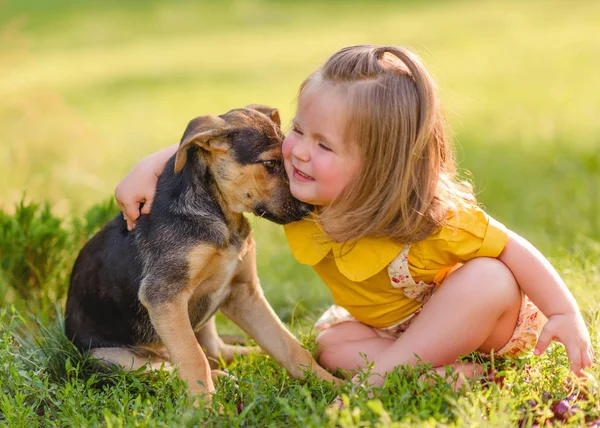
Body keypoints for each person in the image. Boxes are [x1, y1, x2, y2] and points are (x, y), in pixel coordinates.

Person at [115, 45, 593, 390]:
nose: (296, 151)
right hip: (389, 329)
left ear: (379, 169)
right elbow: (226, 145)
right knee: (332, 348)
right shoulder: (304, 203)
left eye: (323, 145)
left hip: (481, 326)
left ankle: (384, 377)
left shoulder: (431, 217)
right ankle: (425, 373)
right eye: (299, 129)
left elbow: (512, 247)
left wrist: (564, 312)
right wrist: (151, 164)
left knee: (488, 278)